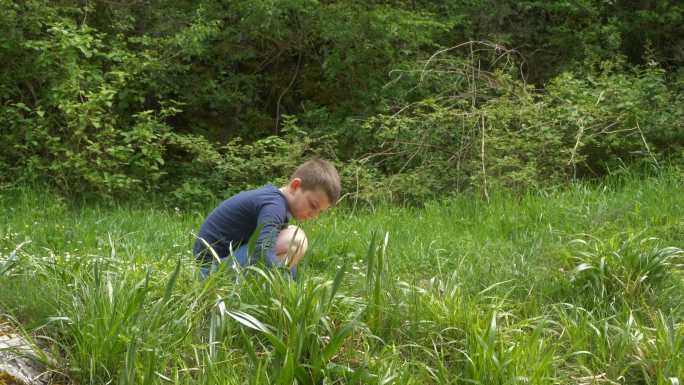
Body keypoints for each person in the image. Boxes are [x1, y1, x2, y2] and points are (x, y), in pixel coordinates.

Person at [193, 159, 340, 280]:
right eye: (313, 205)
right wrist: (291, 284)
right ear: (295, 186)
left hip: (216, 264)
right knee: (296, 239)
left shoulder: (273, 201)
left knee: (290, 237)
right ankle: (278, 294)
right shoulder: (274, 206)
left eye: (319, 211)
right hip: (209, 272)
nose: (313, 215)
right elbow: (262, 251)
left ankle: (261, 293)